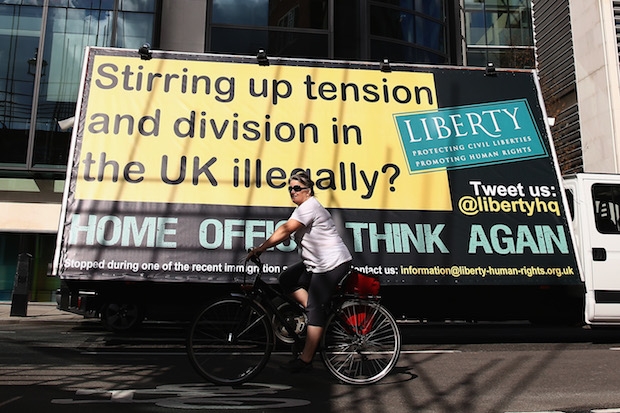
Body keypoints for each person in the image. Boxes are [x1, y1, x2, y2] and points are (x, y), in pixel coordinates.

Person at [246, 171, 352, 373]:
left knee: (315, 306)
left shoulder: (310, 206)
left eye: (296, 188)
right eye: (290, 189)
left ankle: (306, 360)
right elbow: (287, 232)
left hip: (332, 263)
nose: (292, 192)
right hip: (316, 264)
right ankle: (315, 316)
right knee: (287, 279)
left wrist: (261, 248)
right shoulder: (303, 209)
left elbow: (286, 229)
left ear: (308, 191)